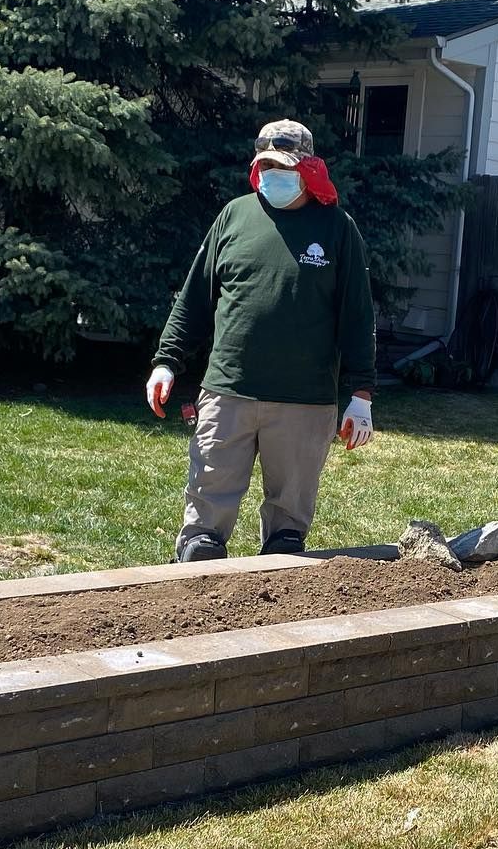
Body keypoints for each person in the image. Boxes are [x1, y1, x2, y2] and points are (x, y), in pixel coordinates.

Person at [146, 119, 376, 560]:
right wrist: (166, 361)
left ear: (307, 167)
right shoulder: (234, 215)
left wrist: (361, 393)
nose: (273, 174)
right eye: (265, 164)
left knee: (287, 543)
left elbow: (358, 316)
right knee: (202, 537)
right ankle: (198, 570)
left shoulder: (336, 228)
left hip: (304, 401)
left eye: (283, 165)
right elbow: (195, 297)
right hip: (228, 391)